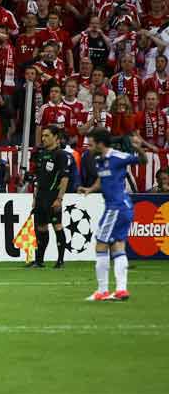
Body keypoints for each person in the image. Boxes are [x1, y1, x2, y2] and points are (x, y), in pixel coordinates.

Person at [78, 129, 146, 301]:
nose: (88, 148)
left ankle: (102, 291)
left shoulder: (117, 157)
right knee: (117, 245)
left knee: (101, 245)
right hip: (120, 208)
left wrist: (138, 148)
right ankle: (121, 290)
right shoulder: (99, 160)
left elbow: (142, 160)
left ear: (100, 143)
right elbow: (102, 180)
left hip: (116, 208)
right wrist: (90, 189)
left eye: (91, 144)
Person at [29, 126, 72, 268]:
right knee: (41, 227)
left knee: (57, 226)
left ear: (56, 137)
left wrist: (59, 199)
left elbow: (64, 178)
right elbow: (38, 179)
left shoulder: (61, 155)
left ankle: (60, 260)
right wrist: (35, 198)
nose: (43, 138)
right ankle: (39, 260)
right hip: (41, 197)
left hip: (53, 196)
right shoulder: (41, 154)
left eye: (47, 135)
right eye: (43, 135)